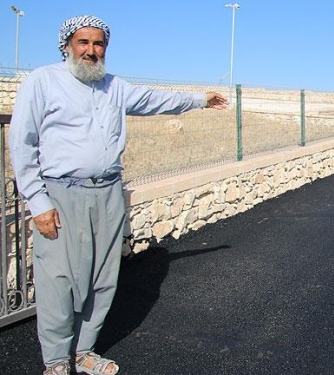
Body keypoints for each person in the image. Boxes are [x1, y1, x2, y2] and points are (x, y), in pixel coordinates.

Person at [9, 15, 227, 375]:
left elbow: (155, 100)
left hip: (108, 192)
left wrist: (200, 99)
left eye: (98, 44)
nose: (91, 51)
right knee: (59, 279)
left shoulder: (114, 87)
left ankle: (84, 352)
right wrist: (38, 202)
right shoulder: (43, 81)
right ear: (68, 45)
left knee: (103, 276)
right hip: (61, 193)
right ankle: (56, 362)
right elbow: (22, 144)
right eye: (84, 43)